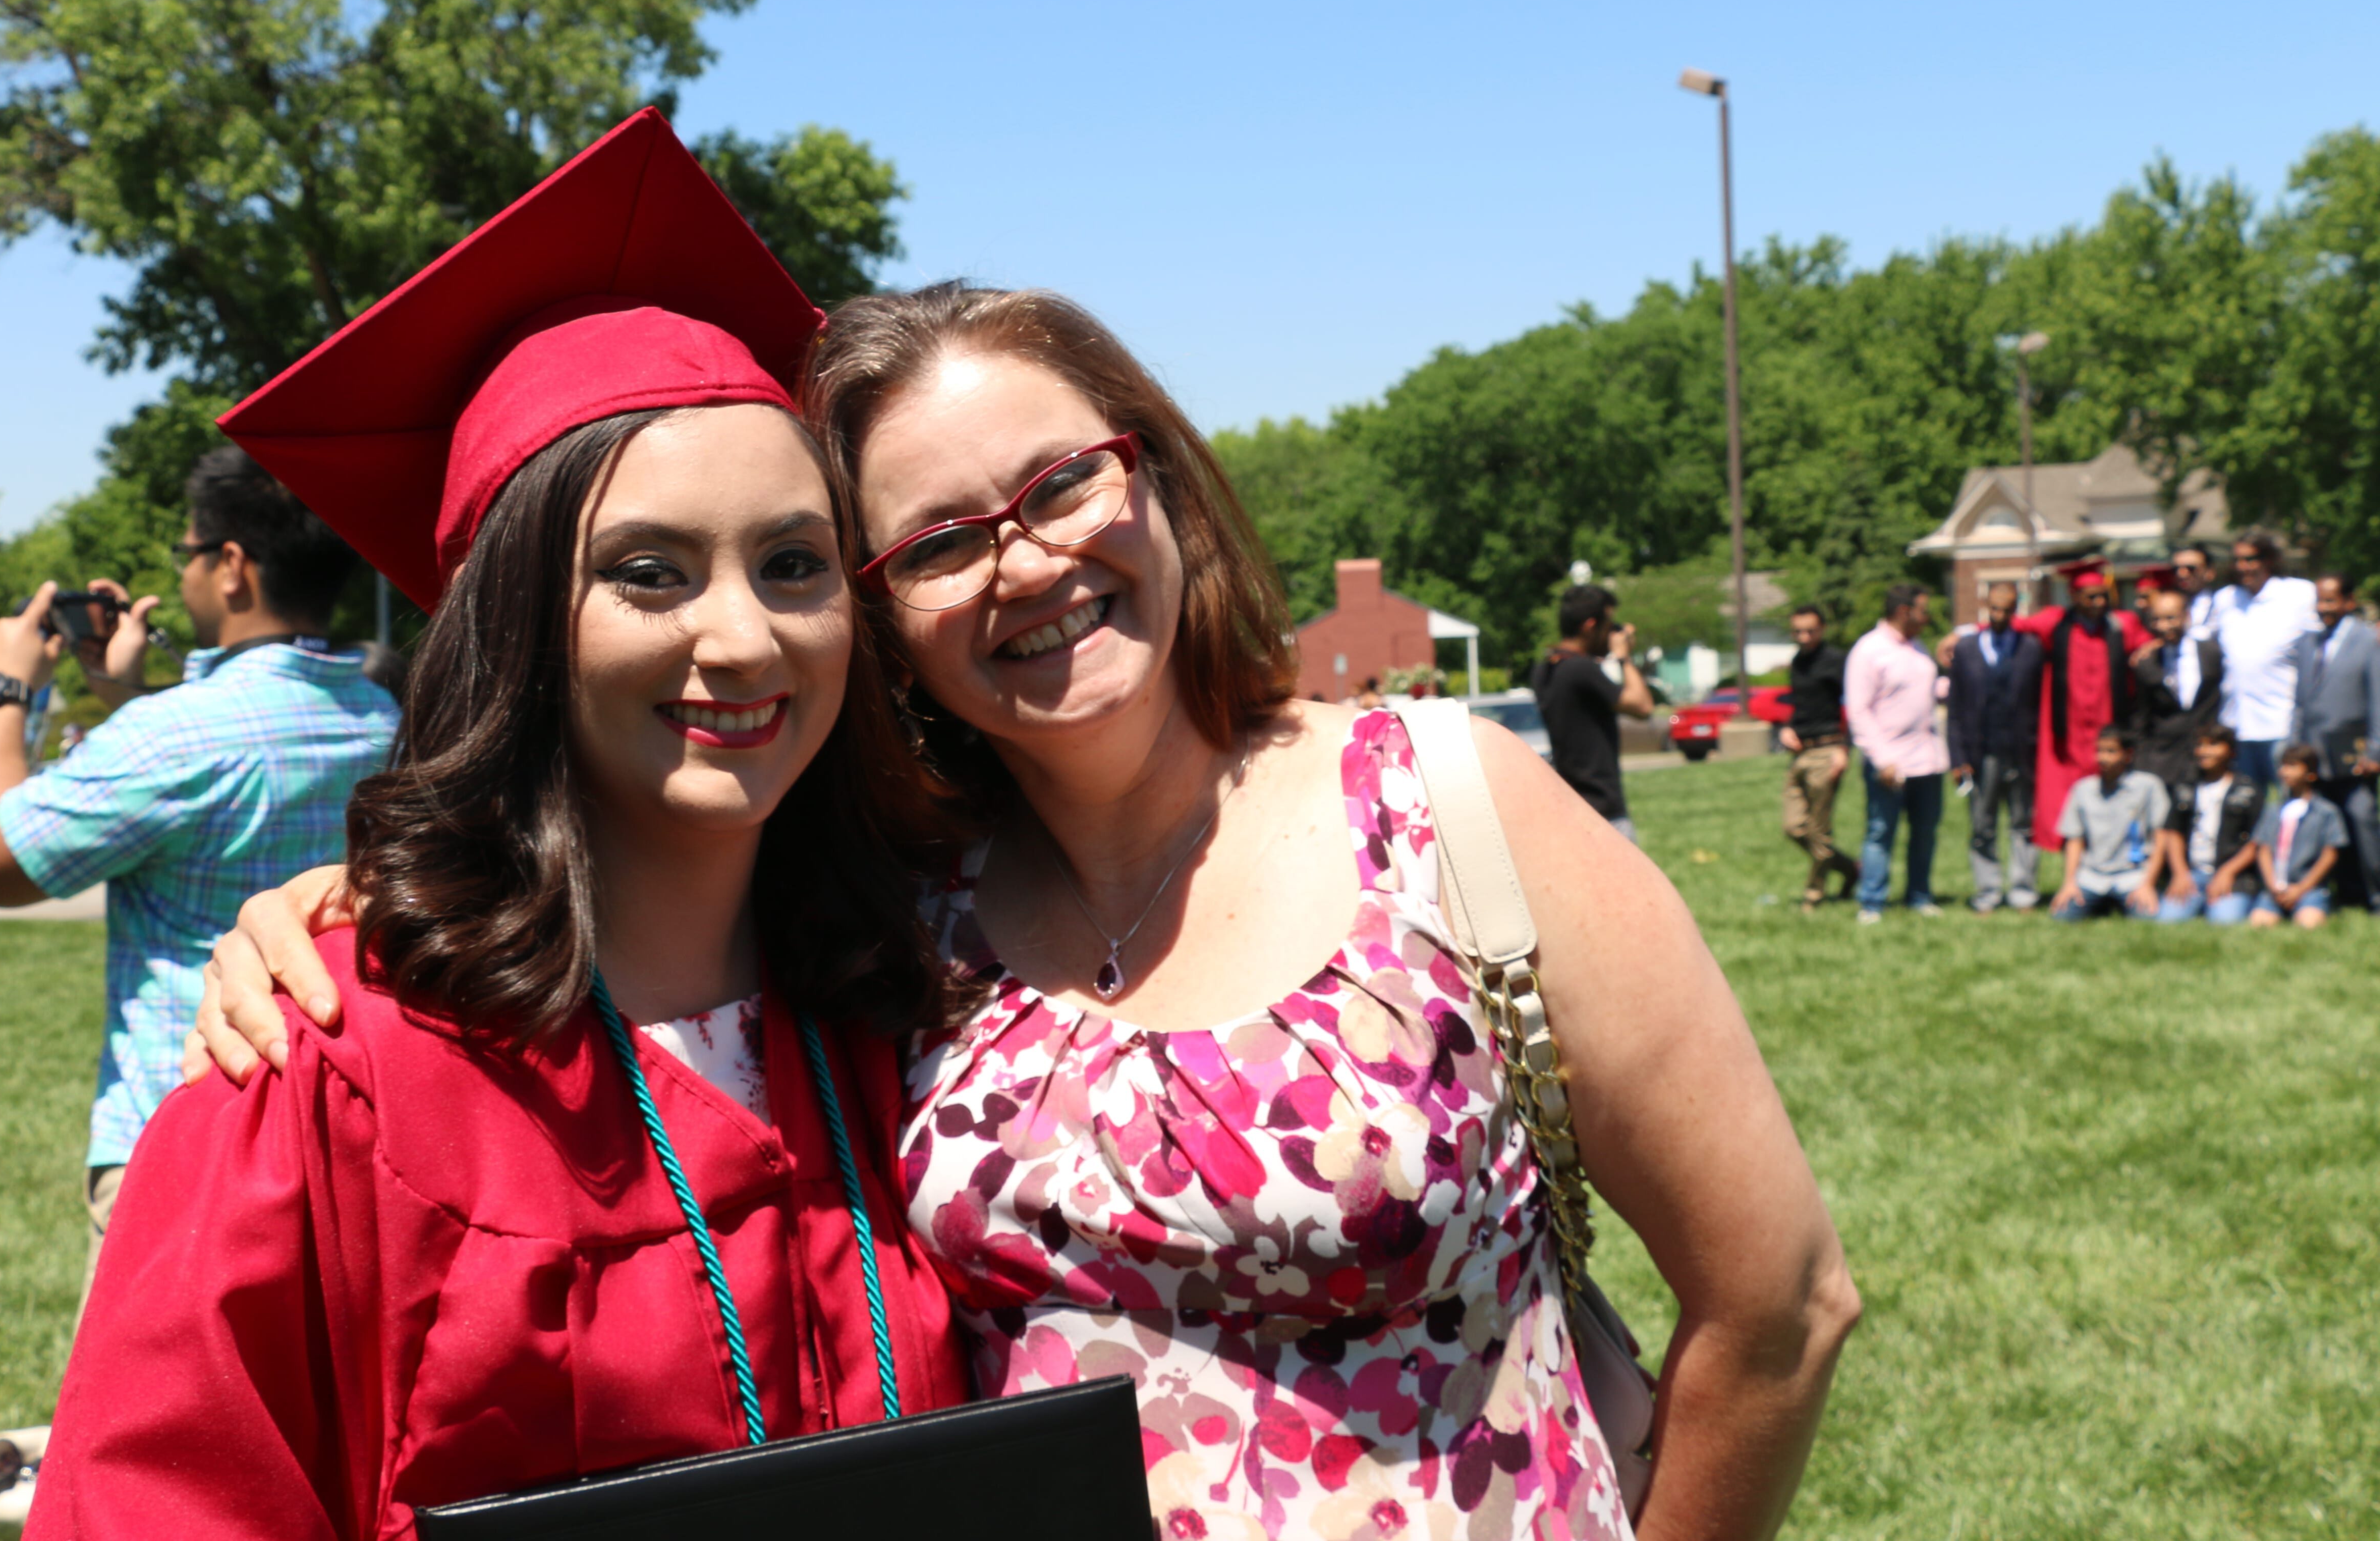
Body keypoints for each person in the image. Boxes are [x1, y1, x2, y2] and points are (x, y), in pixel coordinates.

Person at [202, 281, 1863, 1537]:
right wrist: (343, 903)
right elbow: (623, 863)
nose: (1022, 560)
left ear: (1155, 476)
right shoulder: (890, 916)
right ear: (880, 620)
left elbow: (1780, 1306)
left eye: (1060, 481)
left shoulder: (1441, 802)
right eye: (935, 541)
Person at [33, 113, 967, 1536]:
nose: (744, 638)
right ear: (518, 622)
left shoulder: (907, 1012)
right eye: (648, 573)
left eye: (795, 563)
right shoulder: (322, 1070)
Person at [0, 443, 405, 1326]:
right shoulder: (382, 714)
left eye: (189, 553)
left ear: (232, 565)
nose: (185, 573)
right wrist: (121, 693)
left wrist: (2, 691)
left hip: (186, 1136)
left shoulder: (172, 737)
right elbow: (221, 778)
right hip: (347, 1124)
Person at [2009, 560, 2148, 860]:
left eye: (2103, 596)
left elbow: (2150, 643)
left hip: (2106, 724)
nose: (2099, 603)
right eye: (2091, 597)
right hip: (2067, 731)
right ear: (2074, 596)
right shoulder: (2055, 622)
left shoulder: (2121, 625)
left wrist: (2150, 647)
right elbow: (2014, 624)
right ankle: (2071, 854)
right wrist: (1962, 633)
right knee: (2062, 792)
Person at [1845, 582, 1947, 923]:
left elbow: (1926, 692)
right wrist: (1883, 759)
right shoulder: (1869, 651)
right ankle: (1872, 902)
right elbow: (1859, 710)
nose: (1927, 617)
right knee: (1880, 833)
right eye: (1923, 611)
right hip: (1890, 764)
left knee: (1924, 834)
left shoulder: (1918, 647)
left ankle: (1919, 896)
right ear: (1904, 612)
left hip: (1927, 760)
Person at [1945, 581, 2042, 913]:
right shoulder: (1967, 649)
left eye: (2008, 609)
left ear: (2016, 610)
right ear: (1987, 607)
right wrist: (1958, 757)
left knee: (2024, 824)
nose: (2000, 615)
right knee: (1982, 825)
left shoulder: (2031, 649)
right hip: (1980, 753)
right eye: (1996, 609)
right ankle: (1987, 892)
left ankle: (2023, 891)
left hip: (2021, 751)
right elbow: (1955, 709)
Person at [1531, 581, 1655, 842]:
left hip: (1571, 805)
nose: (1612, 632)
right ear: (1590, 626)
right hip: (1604, 810)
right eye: (1609, 625)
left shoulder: (1546, 669)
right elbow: (1643, 707)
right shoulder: (1581, 669)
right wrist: (1624, 657)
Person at [2287, 573, 2380, 910]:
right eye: (2320, 600)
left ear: (2349, 602)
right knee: (2321, 822)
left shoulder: (2367, 640)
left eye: (2331, 600)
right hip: (2314, 752)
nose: (2323, 608)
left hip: (2353, 752)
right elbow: (2300, 702)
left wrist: (2376, 749)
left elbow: (2377, 698)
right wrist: (2294, 747)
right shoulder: (2308, 642)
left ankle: (2375, 894)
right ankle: (2333, 892)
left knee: (2361, 816)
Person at [2214, 527, 2320, 788]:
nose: (2242, 567)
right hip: (2237, 723)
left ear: (2269, 560)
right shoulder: (2225, 599)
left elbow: (2325, 641)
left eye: (2250, 559)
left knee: (2288, 800)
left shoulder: (2298, 594)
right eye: (2238, 560)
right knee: (2247, 803)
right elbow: (2198, 639)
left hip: (2282, 723)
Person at [1778, 603, 1860, 909]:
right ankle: (1851, 869)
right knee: (1794, 827)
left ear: (1822, 629)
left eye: (1810, 631)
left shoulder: (1837, 661)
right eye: (1797, 631)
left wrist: (1844, 749)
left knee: (1818, 831)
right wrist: (1788, 729)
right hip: (1801, 752)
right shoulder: (1797, 662)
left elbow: (1853, 706)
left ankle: (1813, 896)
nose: (1804, 637)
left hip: (1828, 750)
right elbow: (1800, 706)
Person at [2049, 726, 2170, 921]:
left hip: (2133, 876)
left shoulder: (2149, 786)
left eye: (2111, 751)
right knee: (2062, 916)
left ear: (2128, 755)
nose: (2102, 758)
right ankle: (2100, 903)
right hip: (2092, 877)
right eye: (2099, 751)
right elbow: (2074, 841)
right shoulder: (2083, 789)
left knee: (2149, 917)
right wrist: (2069, 883)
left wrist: (2148, 885)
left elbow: (2161, 839)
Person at [2156, 724, 2263, 924]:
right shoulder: (2186, 787)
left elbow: (2257, 841)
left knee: (2224, 922)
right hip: (2192, 874)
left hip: (2233, 875)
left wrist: (2228, 872)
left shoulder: (2248, 791)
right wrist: (2180, 873)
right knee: (2167, 922)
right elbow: (2174, 832)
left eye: (2213, 745)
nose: (2204, 751)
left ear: (2231, 751)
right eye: (2201, 745)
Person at [2129, 588, 2221, 790]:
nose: (2163, 626)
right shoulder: (2147, 663)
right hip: (2163, 760)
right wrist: (2141, 763)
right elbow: (2141, 717)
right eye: (2156, 620)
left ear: (2187, 616)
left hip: (2205, 757)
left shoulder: (2212, 653)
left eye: (2171, 618)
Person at [2250, 743, 2344, 928]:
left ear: (2311, 774)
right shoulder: (2273, 810)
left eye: (2292, 766)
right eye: (2283, 766)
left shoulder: (2326, 812)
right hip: (2274, 890)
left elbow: (2330, 855)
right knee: (2259, 925)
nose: (2284, 772)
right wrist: (2273, 886)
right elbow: (2264, 849)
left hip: (2311, 889)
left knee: (2309, 924)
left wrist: (2301, 889)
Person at [2172, 543, 2224, 644]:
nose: (2181, 574)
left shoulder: (2221, 604)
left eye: (2191, 569)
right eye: (2176, 569)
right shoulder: (2168, 605)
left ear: (2210, 573)